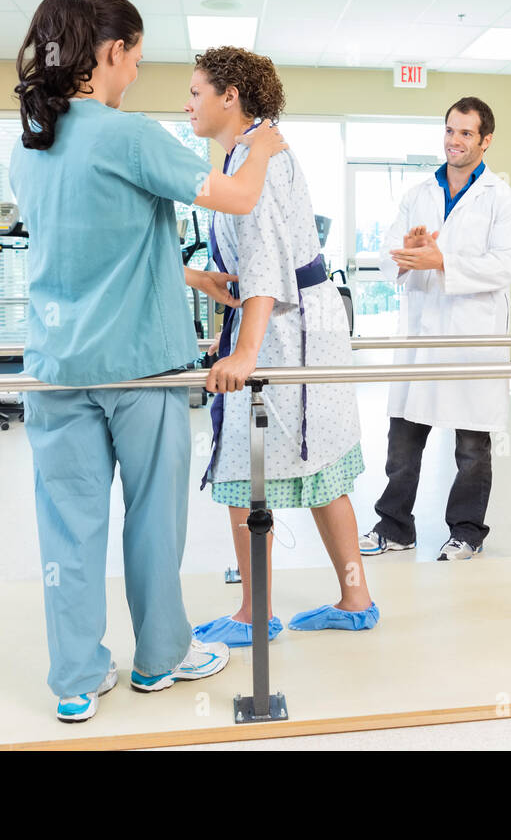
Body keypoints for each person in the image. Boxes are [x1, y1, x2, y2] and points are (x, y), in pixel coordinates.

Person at [9, 0, 288, 723]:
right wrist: (260, 144)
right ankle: (160, 658)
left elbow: (87, 244)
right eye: (135, 54)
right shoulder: (125, 135)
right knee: (151, 519)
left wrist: (186, 273)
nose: (137, 69)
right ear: (111, 53)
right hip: (139, 367)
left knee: (67, 527)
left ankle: (75, 678)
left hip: (57, 368)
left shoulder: (30, 142)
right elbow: (234, 196)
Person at [189, 46, 377, 647]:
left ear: (230, 97)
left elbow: (266, 262)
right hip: (294, 323)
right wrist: (208, 279)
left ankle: (256, 611)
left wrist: (245, 353)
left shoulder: (258, 157)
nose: (188, 102)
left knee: (246, 470)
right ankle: (354, 599)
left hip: (285, 330)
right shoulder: (248, 152)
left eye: (196, 92)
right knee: (319, 466)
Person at [359, 96, 511, 561]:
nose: (455, 140)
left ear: (485, 140)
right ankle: (395, 527)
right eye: (450, 130)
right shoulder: (418, 193)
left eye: (466, 133)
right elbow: (386, 253)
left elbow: (504, 266)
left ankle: (467, 531)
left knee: (472, 444)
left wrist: (442, 261)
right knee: (403, 438)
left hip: (471, 338)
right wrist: (408, 250)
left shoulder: (503, 201)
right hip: (421, 333)